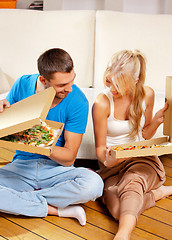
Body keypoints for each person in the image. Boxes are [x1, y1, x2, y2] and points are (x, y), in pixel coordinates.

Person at [0, 48, 103, 226]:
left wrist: (40, 141)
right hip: (20, 168)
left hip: (56, 171)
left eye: (72, 80)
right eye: (62, 85)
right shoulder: (22, 84)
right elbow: (8, 128)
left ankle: (20, 201)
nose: (69, 89)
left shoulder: (78, 101)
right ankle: (54, 209)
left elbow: (69, 158)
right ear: (43, 80)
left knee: (94, 184)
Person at [92, 49, 172, 239]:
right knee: (119, 209)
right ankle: (159, 193)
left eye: (119, 85)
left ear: (135, 81)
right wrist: (111, 160)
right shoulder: (102, 103)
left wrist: (157, 120)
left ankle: (122, 235)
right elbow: (100, 151)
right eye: (109, 81)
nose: (112, 89)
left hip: (141, 160)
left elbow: (144, 134)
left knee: (132, 182)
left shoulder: (147, 95)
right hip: (111, 165)